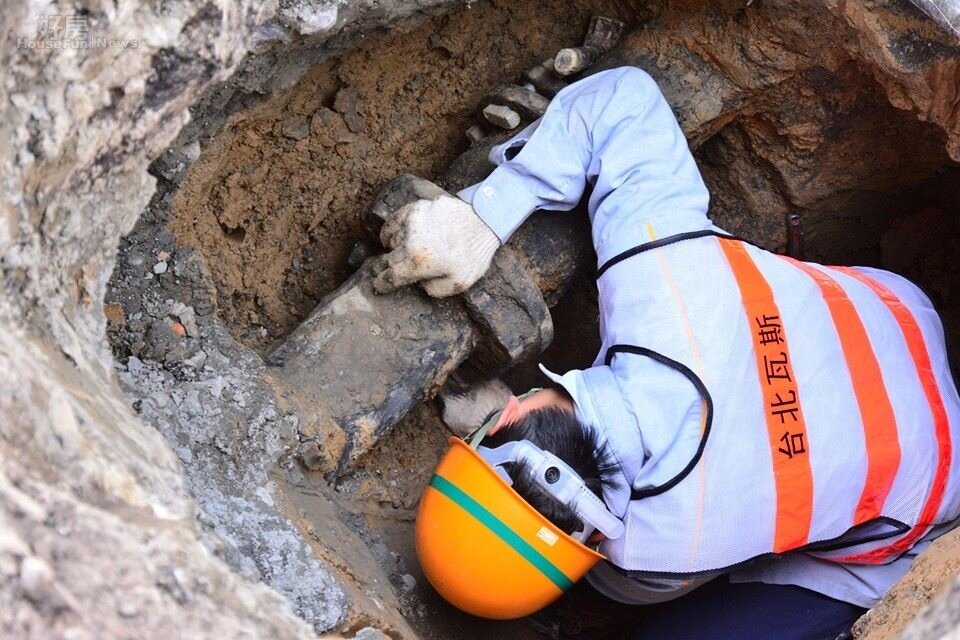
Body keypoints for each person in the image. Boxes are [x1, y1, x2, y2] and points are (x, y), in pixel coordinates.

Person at [372, 66, 960, 639]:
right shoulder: (658, 285)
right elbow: (625, 98)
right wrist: (484, 214)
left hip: (929, 483)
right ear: (507, 415)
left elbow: (602, 573)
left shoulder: (657, 548)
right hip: (898, 323)